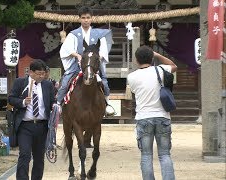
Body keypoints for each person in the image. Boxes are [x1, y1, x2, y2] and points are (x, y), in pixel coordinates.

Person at [127, 45, 177, 180]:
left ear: (136, 60)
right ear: (152, 58)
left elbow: (133, 91)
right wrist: (158, 55)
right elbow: (173, 66)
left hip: (143, 118)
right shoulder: (161, 70)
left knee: (146, 155)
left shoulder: (131, 77)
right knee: (165, 154)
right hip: (163, 117)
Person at [56, 6, 115, 116]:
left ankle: (107, 103)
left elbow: (103, 50)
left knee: (104, 83)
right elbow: (66, 49)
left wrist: (96, 58)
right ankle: (58, 104)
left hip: (93, 65)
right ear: (79, 19)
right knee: (65, 82)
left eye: (88, 17)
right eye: (83, 18)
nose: (86, 20)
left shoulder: (99, 34)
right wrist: (77, 55)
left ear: (91, 18)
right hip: (77, 65)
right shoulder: (74, 34)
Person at [8, 59, 55, 180]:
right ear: (31, 72)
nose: (41, 76)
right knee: (25, 154)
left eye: (43, 73)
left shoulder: (48, 85)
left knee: (39, 157)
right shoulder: (20, 82)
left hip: (42, 125)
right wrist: (23, 102)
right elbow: (11, 99)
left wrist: (55, 106)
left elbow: (51, 102)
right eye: (39, 73)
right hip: (25, 126)